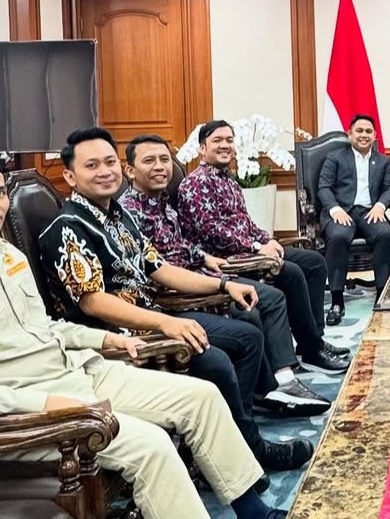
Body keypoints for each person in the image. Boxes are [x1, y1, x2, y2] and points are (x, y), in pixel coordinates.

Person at [0, 143, 284, 519]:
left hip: (79, 372)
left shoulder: (8, 257)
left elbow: (44, 328)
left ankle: (252, 511)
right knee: (150, 446)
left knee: (202, 397)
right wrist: (43, 405)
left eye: (0, 192)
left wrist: (105, 339)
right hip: (28, 410)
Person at [38, 127, 315, 475]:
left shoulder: (116, 217)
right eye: (92, 165)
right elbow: (93, 303)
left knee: (248, 334)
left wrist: (225, 283)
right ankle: (244, 453)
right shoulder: (68, 226)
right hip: (118, 337)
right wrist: (164, 322)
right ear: (70, 176)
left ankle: (238, 445)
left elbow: (161, 268)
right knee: (217, 360)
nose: (104, 171)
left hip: (152, 316)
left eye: (109, 161)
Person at [121, 134, 346, 402]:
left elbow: (184, 243)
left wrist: (261, 240)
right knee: (269, 297)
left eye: (164, 160)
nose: (159, 166)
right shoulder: (136, 209)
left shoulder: (169, 202)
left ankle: (307, 350)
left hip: (205, 268)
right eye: (150, 161)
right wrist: (251, 248)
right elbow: (201, 235)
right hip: (189, 283)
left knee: (310, 264)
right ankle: (281, 383)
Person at [178, 120, 347, 364]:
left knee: (314, 262)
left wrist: (268, 239)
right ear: (202, 148)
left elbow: (246, 222)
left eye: (229, 140)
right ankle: (311, 347)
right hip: (224, 259)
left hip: (247, 250)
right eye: (217, 141)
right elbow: (211, 231)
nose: (225, 145)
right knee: (292, 272)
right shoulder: (196, 183)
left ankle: (313, 341)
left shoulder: (228, 179)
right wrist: (257, 247)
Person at [317, 113, 390, 324]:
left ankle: (382, 295)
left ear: (375, 135)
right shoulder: (335, 157)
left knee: (384, 235)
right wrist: (334, 209)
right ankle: (336, 301)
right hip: (341, 211)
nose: (364, 135)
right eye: (359, 131)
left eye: (368, 131)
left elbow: (389, 189)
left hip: (370, 212)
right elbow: (323, 187)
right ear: (349, 134)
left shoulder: (383, 161)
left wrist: (380, 206)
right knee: (338, 237)